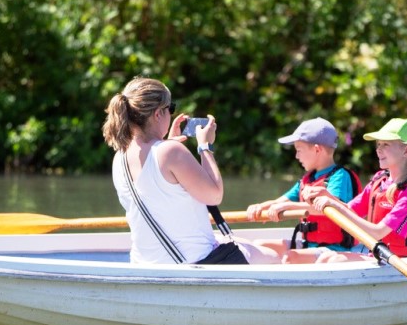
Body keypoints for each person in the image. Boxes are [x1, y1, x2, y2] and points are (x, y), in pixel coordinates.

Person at [102, 77, 281, 265]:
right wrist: (205, 146)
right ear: (157, 114)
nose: (171, 114)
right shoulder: (171, 152)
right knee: (274, 258)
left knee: (242, 242)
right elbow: (214, 195)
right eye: (170, 108)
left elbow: (159, 185)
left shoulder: (119, 157)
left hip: (145, 263)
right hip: (193, 262)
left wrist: (166, 144)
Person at [309, 118, 407, 263]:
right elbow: (350, 209)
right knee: (327, 257)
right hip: (377, 258)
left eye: (386, 144)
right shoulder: (380, 181)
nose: (378, 149)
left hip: (400, 263)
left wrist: (335, 204)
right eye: (378, 144)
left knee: (334, 261)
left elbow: (378, 232)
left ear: (406, 150)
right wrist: (328, 197)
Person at [245, 117, 362, 263]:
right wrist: (260, 207)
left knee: (290, 257)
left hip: (335, 249)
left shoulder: (339, 177)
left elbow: (329, 208)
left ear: (317, 149)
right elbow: (279, 202)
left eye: (299, 150)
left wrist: (287, 206)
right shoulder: (307, 179)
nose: (296, 156)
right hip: (309, 244)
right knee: (258, 246)